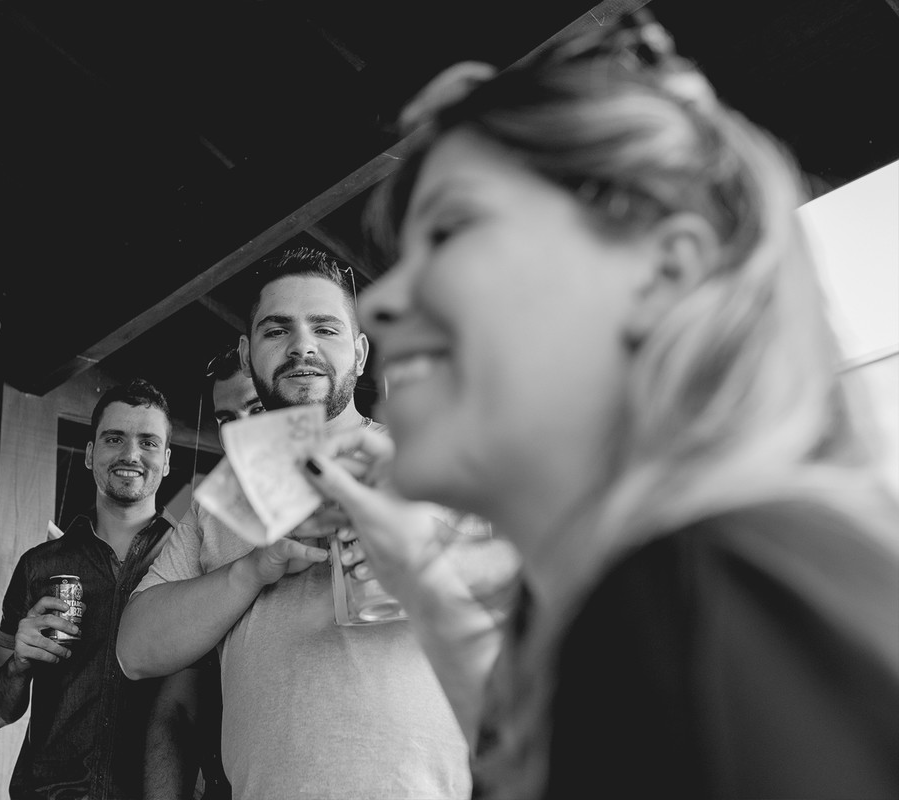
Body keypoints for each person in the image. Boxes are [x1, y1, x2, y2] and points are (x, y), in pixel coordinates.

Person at [298, 10, 899, 800]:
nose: (381, 304)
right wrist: (413, 566)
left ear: (661, 272)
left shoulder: (706, 597)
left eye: (449, 231)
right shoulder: (708, 592)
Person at [118, 246, 492, 800]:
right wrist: (253, 570)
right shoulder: (229, 494)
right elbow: (135, 651)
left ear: (361, 353)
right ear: (248, 355)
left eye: (325, 328)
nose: (302, 347)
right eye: (277, 331)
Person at [0, 378, 180, 799]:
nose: (130, 454)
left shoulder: (191, 559)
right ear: (90, 454)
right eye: (113, 438)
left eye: (148, 442)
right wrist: (18, 663)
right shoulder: (41, 565)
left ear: (167, 460)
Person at [143, 346, 256, 800]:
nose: (242, 431)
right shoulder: (206, 508)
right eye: (227, 418)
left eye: (257, 408)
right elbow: (144, 660)